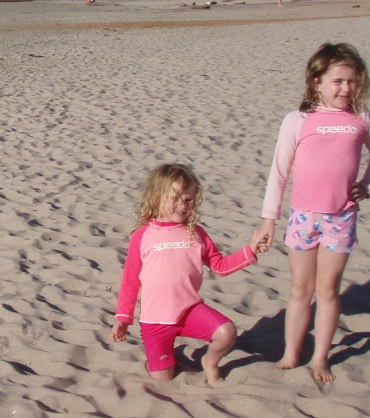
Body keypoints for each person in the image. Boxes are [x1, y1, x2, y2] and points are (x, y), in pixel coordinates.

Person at [254, 43, 370, 383]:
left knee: (328, 290)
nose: (346, 89)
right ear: (316, 81)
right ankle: (290, 353)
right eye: (338, 81)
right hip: (303, 217)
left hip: (341, 217)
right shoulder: (297, 120)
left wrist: (368, 186)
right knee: (301, 290)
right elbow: (279, 170)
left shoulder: (361, 118)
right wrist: (269, 218)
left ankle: (320, 358)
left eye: (352, 81)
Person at [112, 163, 266, 384]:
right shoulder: (142, 236)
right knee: (163, 377)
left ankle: (209, 362)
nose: (182, 206)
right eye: (175, 198)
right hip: (155, 321)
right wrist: (123, 318)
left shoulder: (196, 233)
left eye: (188, 200)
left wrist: (250, 250)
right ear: (157, 197)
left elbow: (220, 266)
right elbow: (130, 280)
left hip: (189, 311)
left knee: (227, 332)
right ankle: (160, 359)